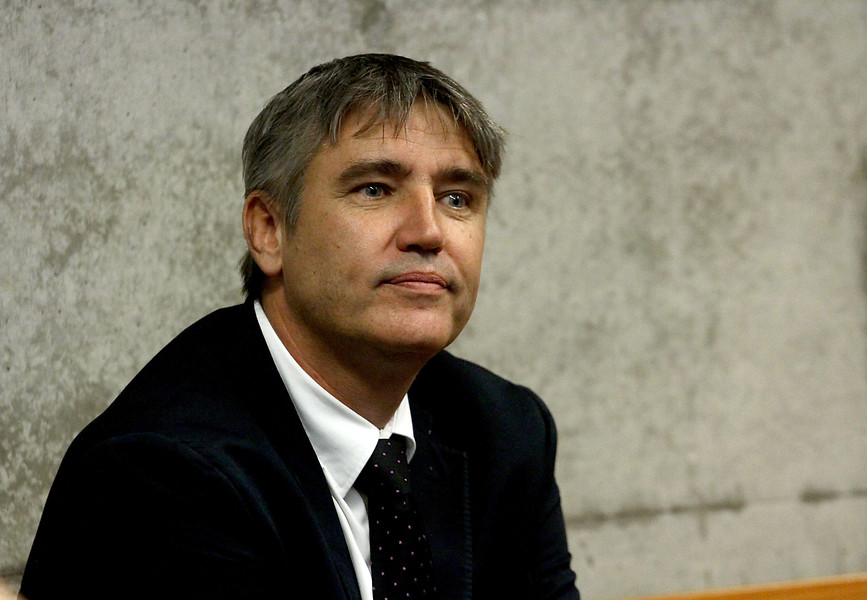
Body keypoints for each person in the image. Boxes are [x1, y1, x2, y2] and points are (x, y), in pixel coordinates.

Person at [21, 54, 579, 600]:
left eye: (457, 198)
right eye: (375, 189)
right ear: (269, 230)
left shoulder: (504, 430)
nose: (428, 232)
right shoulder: (163, 470)